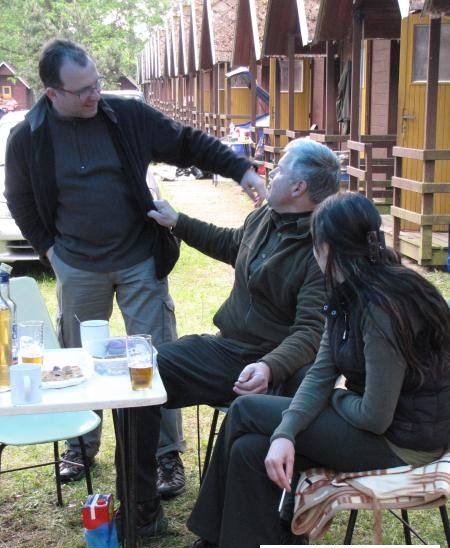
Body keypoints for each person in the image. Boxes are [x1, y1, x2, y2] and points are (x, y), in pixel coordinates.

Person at [4, 39, 265, 495]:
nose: (95, 94)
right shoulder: (28, 137)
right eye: (82, 90)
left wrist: (239, 169)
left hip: (139, 259)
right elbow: (19, 198)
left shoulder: (126, 116)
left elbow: (187, 142)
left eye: (97, 83)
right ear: (52, 93)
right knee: (77, 359)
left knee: (156, 358)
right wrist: (50, 251)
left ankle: (165, 456)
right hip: (77, 265)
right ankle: (80, 443)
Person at [161, 191, 450, 548]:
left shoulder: (383, 307)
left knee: (244, 411)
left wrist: (332, 401)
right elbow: (321, 372)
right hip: (379, 425)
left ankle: (212, 543)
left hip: (404, 442)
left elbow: (374, 416)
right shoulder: (348, 290)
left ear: (326, 248)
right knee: (250, 449)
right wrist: (285, 432)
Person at [123, 137, 340, 538]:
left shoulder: (322, 247)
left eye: (278, 169)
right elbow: (231, 244)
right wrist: (178, 222)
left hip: (272, 364)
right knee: (142, 377)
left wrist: (269, 365)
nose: (268, 173)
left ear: (299, 188)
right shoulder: (266, 216)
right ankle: (142, 509)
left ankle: (256, 527)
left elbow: (312, 332)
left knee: (251, 419)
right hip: (228, 350)